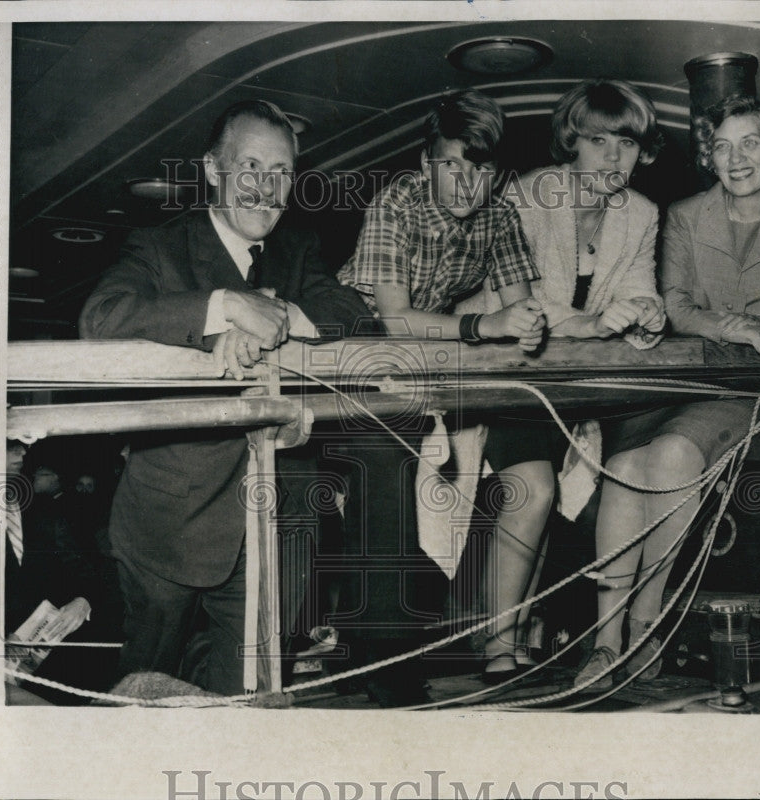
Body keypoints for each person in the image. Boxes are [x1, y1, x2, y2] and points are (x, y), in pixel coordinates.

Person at [78, 99, 370, 696]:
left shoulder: (299, 248)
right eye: (251, 168)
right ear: (214, 171)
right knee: (142, 691)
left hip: (278, 519)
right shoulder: (160, 247)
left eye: (282, 172)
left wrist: (281, 316)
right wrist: (225, 306)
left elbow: (354, 314)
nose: (267, 189)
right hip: (170, 523)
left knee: (247, 698)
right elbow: (101, 318)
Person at [576, 94, 760, 690]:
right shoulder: (687, 216)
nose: (736, 157)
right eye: (721, 146)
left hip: (747, 391)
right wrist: (738, 326)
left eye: (749, 142)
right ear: (708, 156)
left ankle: (646, 631)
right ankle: (603, 642)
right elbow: (675, 306)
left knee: (666, 459)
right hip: (680, 382)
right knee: (622, 466)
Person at [337, 88, 548, 687]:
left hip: (428, 353)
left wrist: (530, 324)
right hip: (349, 335)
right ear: (427, 161)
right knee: (387, 465)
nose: (465, 183)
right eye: (451, 164)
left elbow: (521, 307)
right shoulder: (394, 204)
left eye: (479, 170)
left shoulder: (500, 214)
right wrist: (488, 327)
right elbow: (393, 318)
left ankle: (478, 634)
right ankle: (377, 653)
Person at [463, 79, 666, 681]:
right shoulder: (526, 195)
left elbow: (639, 294)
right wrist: (594, 322)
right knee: (536, 489)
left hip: (577, 391)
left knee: (579, 501)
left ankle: (524, 626)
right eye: (597, 141)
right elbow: (518, 299)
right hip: (511, 375)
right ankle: (496, 640)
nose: (612, 157)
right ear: (570, 143)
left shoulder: (643, 215)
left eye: (626, 144)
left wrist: (647, 316)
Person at [3, 440, 118, 704]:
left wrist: (83, 600)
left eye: (22, 445)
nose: (22, 451)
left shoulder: (44, 510)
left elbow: (84, 570)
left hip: (52, 661)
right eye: (10, 444)